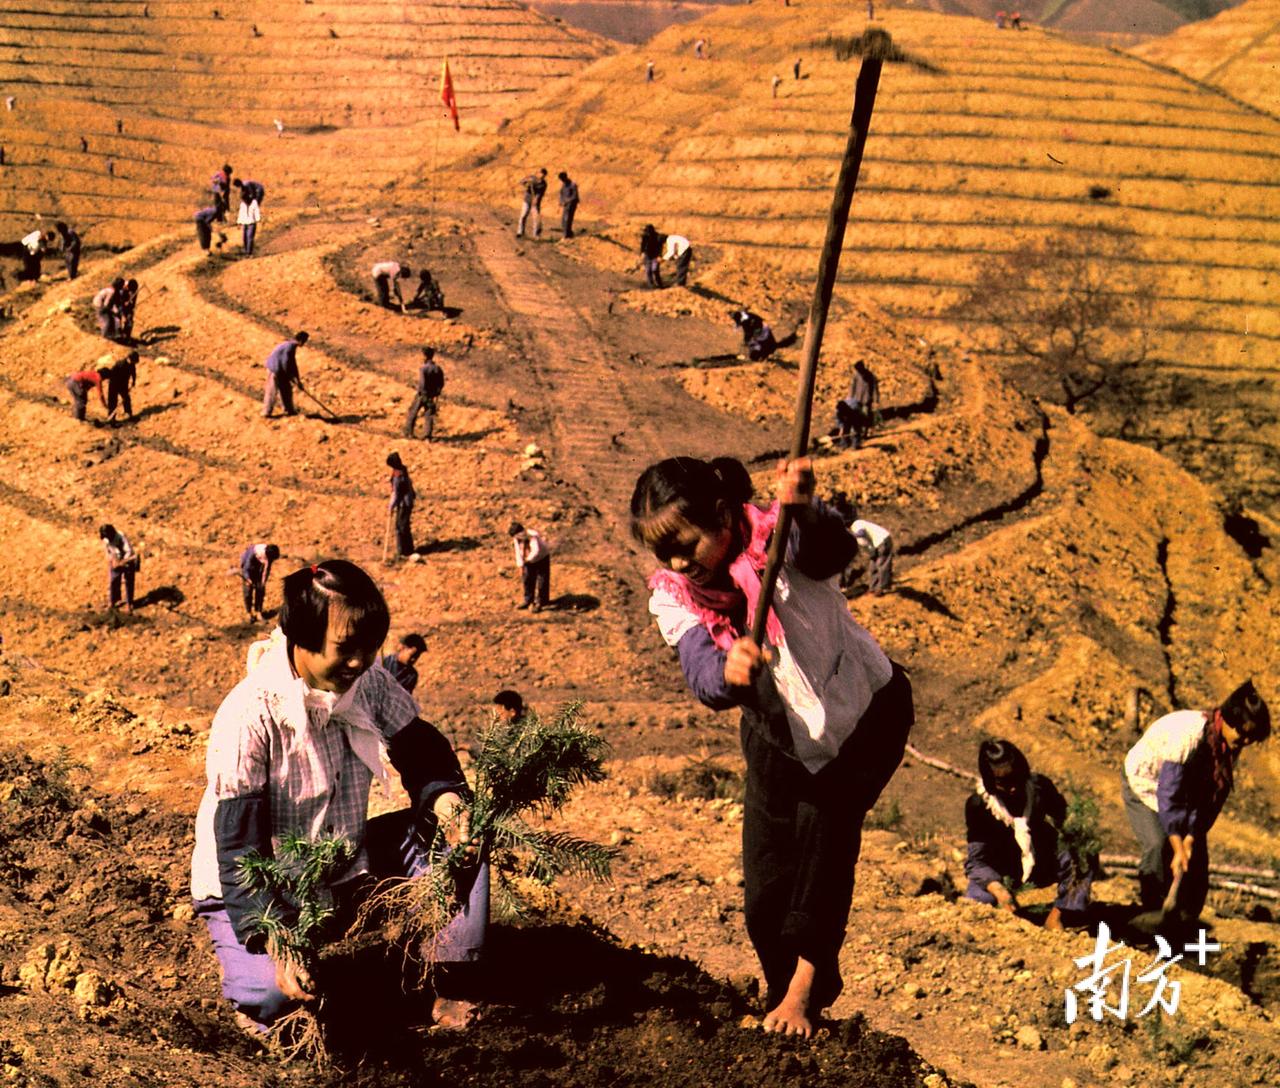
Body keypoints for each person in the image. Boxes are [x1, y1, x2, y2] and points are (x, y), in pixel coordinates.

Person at [629, 456, 913, 1036]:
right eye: (667, 554)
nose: (679, 563)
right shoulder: (675, 594)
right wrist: (728, 672)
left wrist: (803, 508)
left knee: (823, 848)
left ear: (722, 515)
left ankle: (803, 996)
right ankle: (787, 991)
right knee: (764, 893)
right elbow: (700, 669)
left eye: (687, 544)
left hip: (863, 718)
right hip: (776, 737)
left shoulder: (783, 540)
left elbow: (834, 553)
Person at [189, 560, 487, 1033]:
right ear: (300, 639)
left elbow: (420, 747)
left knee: (460, 839)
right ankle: (260, 990)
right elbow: (239, 849)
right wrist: (278, 937)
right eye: (346, 649)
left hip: (339, 867)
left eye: (370, 648)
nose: (360, 662)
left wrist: (444, 798)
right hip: (253, 888)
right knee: (272, 999)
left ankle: (445, 977)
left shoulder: (367, 684)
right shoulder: (250, 716)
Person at [1122, 681, 1270, 925]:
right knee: (1159, 845)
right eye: (1243, 734)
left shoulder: (1229, 743)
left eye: (1251, 738)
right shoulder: (1187, 735)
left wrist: (1190, 839)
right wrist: (1178, 846)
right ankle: (1151, 916)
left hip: (1185, 794)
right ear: (1226, 720)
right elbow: (1169, 795)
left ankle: (1185, 921)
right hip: (1146, 782)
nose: (1245, 742)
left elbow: (1211, 797)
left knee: (1197, 860)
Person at [964, 739, 1093, 930]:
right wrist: (999, 891)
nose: (1012, 788)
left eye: (1015, 778)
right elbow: (977, 862)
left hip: (1040, 862)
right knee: (978, 906)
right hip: (1000, 869)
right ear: (990, 781)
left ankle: (1061, 914)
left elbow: (1070, 828)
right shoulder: (979, 806)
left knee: (1083, 854)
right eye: (1003, 782)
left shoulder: (1040, 788)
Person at [262, 331, 309, 418]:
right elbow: (285, 363)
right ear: (301, 341)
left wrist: (297, 379)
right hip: (274, 369)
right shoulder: (289, 347)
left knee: (286, 390)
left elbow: (293, 364)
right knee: (271, 391)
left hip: (281, 370)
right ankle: (266, 412)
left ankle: (289, 410)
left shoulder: (291, 346)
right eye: (305, 341)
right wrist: (291, 377)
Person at [509, 521, 551, 613]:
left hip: (541, 557)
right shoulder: (517, 538)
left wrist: (528, 560)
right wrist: (521, 565)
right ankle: (528, 600)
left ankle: (541, 602)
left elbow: (536, 551)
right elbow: (518, 552)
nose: (517, 538)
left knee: (542, 580)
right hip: (528, 560)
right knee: (527, 579)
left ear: (522, 531)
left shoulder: (532, 536)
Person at [404, 346, 445, 440]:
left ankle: (409, 433)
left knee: (413, 412)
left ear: (425, 356)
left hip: (422, 395)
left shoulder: (423, 368)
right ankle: (427, 435)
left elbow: (422, 383)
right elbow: (441, 383)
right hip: (431, 396)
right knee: (429, 415)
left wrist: (420, 392)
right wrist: (436, 393)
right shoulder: (437, 368)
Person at [99, 523, 139, 612]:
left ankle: (130, 603)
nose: (108, 539)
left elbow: (128, 551)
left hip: (127, 560)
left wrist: (123, 562)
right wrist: (112, 560)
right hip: (115, 560)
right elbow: (107, 551)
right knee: (113, 581)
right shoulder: (106, 539)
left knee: (129, 581)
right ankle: (113, 601)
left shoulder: (121, 537)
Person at [239, 542, 280, 622]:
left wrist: (263, 582)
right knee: (248, 591)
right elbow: (246, 569)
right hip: (248, 569)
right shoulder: (253, 553)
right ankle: (249, 613)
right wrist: (248, 579)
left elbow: (267, 569)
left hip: (258, 569)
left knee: (260, 590)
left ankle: (258, 612)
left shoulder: (270, 555)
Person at [850, 517, 892, 595]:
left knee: (882, 564)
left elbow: (861, 533)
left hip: (883, 540)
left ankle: (881, 588)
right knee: (873, 565)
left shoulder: (857, 524)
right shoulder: (855, 530)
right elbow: (865, 543)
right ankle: (873, 587)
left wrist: (852, 535)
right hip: (875, 544)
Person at [388, 452, 417, 557]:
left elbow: (396, 494)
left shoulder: (398, 477)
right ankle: (408, 549)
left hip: (404, 504)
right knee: (404, 526)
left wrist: (390, 506)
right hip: (408, 502)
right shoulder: (403, 470)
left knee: (400, 527)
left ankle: (403, 551)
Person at [848, 361, 880, 448]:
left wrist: (876, 399)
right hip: (857, 400)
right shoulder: (855, 376)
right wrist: (849, 400)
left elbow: (875, 388)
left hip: (866, 400)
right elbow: (852, 388)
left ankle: (865, 433)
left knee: (865, 416)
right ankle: (857, 435)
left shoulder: (870, 376)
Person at [516, 168, 548, 239]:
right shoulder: (532, 177)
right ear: (538, 173)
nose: (541, 175)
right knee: (523, 215)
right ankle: (520, 232)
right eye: (540, 173)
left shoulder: (543, 184)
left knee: (536, 218)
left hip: (536, 202)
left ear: (545, 175)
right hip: (527, 200)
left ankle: (536, 235)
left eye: (543, 174)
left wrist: (536, 200)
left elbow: (540, 194)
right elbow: (521, 182)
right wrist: (526, 183)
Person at [106, 350, 138, 421]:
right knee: (113, 402)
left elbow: (133, 373)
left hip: (123, 385)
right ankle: (112, 419)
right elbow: (111, 374)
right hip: (114, 385)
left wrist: (133, 381)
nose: (134, 363)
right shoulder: (119, 364)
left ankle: (128, 414)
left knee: (126, 399)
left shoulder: (132, 365)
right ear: (129, 358)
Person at [236, 186, 260, 256]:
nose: (244, 201)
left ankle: (249, 253)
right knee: (244, 237)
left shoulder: (254, 203)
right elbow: (241, 213)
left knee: (250, 237)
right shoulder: (242, 204)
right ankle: (246, 251)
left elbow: (256, 212)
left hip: (251, 223)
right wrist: (238, 222)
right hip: (244, 222)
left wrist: (258, 219)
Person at [639, 225, 665, 289]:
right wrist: (642, 253)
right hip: (647, 256)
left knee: (655, 270)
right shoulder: (644, 237)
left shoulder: (657, 237)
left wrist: (659, 255)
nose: (647, 233)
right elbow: (642, 245)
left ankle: (660, 285)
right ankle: (651, 285)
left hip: (655, 256)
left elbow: (660, 247)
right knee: (648, 271)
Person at [557, 172, 579, 240]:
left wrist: (566, 201)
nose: (562, 181)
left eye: (563, 179)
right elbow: (561, 193)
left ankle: (566, 235)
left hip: (572, 205)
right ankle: (569, 234)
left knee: (567, 220)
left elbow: (575, 196)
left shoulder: (573, 185)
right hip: (566, 205)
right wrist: (561, 201)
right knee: (564, 220)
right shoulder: (564, 185)